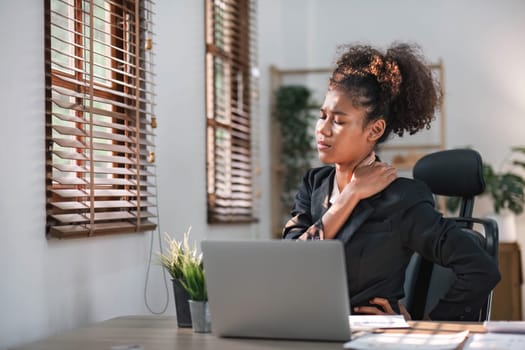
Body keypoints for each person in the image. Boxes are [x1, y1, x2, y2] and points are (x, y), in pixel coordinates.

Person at [282, 42, 500, 321]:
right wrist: (351, 196)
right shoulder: (314, 183)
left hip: (367, 340)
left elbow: (480, 269)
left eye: (338, 120)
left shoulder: (402, 198)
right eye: (322, 115)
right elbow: (290, 260)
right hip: (304, 330)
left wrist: (424, 326)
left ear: (375, 129)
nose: (322, 129)